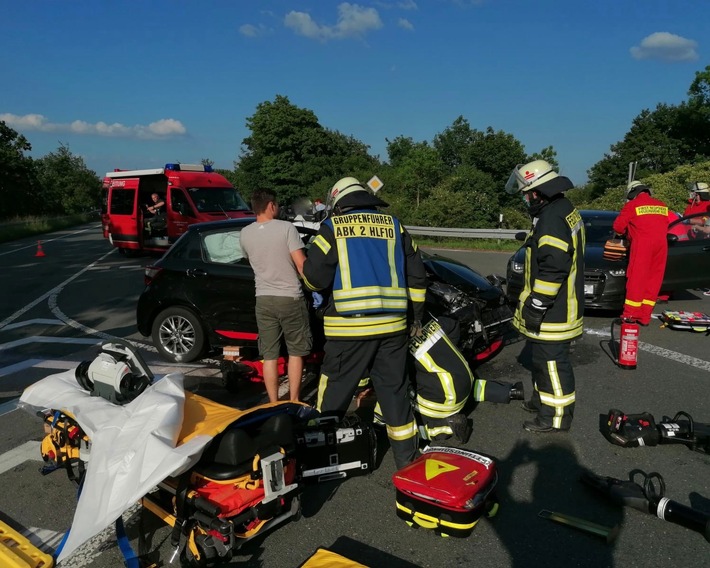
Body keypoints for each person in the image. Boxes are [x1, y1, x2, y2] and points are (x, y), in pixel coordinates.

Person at [301, 176, 428, 469]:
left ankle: (318, 456)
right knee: (395, 393)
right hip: (394, 328)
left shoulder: (332, 228)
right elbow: (418, 276)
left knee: (335, 391)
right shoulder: (395, 226)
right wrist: (416, 316)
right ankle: (407, 461)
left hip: (348, 330)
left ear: (338, 203)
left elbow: (314, 279)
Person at [504, 160, 585, 433]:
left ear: (537, 192)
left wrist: (538, 303)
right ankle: (542, 402)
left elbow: (554, 267)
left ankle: (555, 418)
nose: (526, 199)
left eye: (527, 193)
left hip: (555, 309)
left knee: (552, 364)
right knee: (541, 360)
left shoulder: (551, 219)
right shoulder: (562, 209)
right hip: (559, 305)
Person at [374, 316, 524, 443]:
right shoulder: (427, 319)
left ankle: (443, 428)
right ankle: (511, 391)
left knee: (392, 395)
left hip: (443, 399)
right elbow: (453, 327)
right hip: (465, 377)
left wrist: (379, 420)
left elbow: (394, 386)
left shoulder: (394, 348)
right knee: (470, 386)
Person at [239, 189, 313, 403]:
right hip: (289, 297)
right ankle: (295, 400)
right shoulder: (286, 228)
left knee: (269, 355)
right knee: (296, 352)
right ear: (271, 205)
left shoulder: (245, 233)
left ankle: (272, 402)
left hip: (263, 299)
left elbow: (249, 259)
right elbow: (301, 265)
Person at [612, 181, 670, 325]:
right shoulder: (661, 205)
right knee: (653, 279)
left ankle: (630, 315)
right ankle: (644, 316)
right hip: (662, 246)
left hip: (643, 244)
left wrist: (628, 232)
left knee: (636, 278)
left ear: (633, 193)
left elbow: (618, 227)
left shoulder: (632, 205)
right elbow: (667, 224)